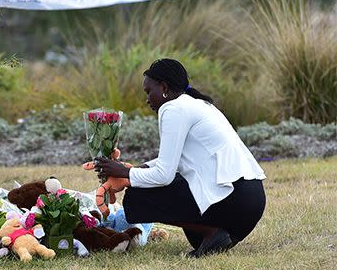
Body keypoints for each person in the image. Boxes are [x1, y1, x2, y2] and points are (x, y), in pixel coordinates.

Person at [94, 58, 266, 257]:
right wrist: (133, 169)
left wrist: (126, 173)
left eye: (149, 91)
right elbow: (171, 162)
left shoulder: (172, 108)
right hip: (249, 204)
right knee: (168, 193)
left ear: (164, 87)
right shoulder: (197, 104)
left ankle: (211, 232)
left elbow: (164, 176)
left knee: (137, 196)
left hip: (233, 200)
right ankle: (211, 234)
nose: (147, 99)